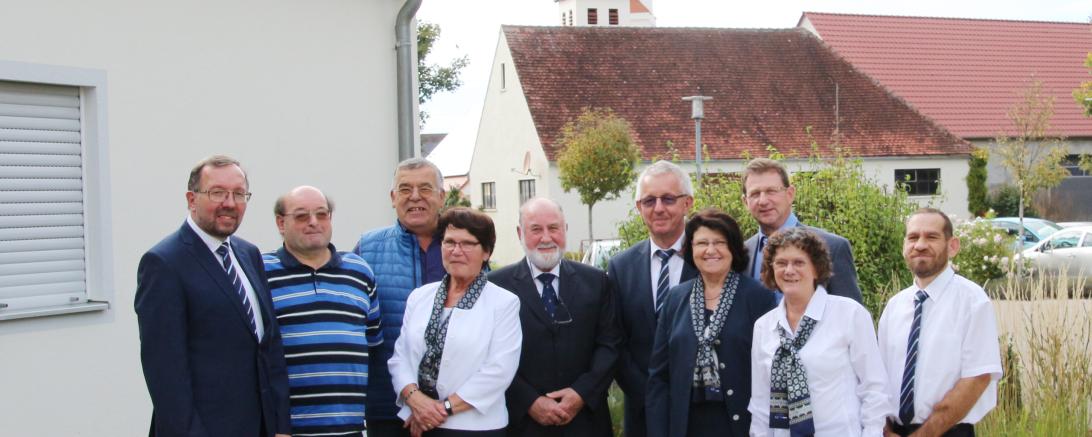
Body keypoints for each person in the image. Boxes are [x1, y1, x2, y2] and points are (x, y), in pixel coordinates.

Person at [135, 155, 291, 437]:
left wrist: (280, 425)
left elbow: (268, 346)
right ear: (191, 199)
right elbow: (166, 373)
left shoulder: (249, 255)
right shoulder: (164, 263)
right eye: (217, 192)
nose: (229, 203)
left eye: (239, 194)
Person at [489, 198, 622, 436]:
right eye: (536, 229)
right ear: (520, 233)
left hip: (586, 422)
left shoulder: (597, 282)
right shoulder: (496, 286)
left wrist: (581, 393)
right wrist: (529, 401)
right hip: (523, 424)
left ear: (565, 230)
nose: (546, 238)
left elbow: (609, 345)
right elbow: (488, 354)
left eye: (553, 228)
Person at [389, 207, 522, 436]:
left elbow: (498, 371)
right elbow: (400, 358)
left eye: (467, 244)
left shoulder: (504, 303)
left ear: (486, 252)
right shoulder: (419, 297)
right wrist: (416, 401)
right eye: (449, 242)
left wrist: (440, 410)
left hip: (473, 427)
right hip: (416, 422)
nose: (456, 251)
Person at [263, 186, 383, 436]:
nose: (313, 223)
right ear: (280, 223)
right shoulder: (261, 272)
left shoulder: (359, 271)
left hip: (350, 429)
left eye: (322, 214)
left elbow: (373, 344)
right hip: (287, 429)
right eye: (301, 216)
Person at [646, 208, 777, 437]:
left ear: (733, 249)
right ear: (691, 250)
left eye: (719, 242)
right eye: (702, 243)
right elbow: (659, 376)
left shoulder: (757, 297)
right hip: (686, 427)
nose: (710, 250)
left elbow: (773, 371)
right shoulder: (676, 299)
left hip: (743, 426)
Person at [748, 227, 891, 437]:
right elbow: (761, 402)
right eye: (781, 263)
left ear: (816, 269)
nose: (789, 270)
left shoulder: (849, 314)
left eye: (798, 262)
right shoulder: (764, 326)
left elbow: (874, 389)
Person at [878, 208, 1002, 437]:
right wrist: (884, 430)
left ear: (952, 246)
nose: (920, 245)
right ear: (904, 246)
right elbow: (877, 379)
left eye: (931, 237)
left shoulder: (972, 301)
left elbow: (977, 377)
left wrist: (924, 434)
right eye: (913, 237)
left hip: (947, 431)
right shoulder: (894, 306)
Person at [355, 157, 448, 436]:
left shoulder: (463, 246)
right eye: (405, 189)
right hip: (388, 404)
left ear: (442, 197)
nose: (415, 197)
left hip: (452, 405)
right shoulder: (367, 249)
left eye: (425, 189)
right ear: (393, 197)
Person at [608, 160, 698, 437]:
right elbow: (614, 339)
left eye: (668, 199)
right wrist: (648, 391)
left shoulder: (710, 258)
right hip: (642, 410)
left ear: (687, 203)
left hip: (700, 408)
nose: (658, 208)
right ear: (639, 208)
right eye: (649, 200)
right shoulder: (620, 267)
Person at [740, 158, 862, 303]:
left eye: (771, 191)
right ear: (745, 202)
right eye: (755, 194)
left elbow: (850, 317)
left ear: (790, 194)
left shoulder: (832, 248)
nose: (763, 201)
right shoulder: (742, 254)